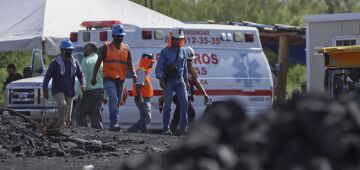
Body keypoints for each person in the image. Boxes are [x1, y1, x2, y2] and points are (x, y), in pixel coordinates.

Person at [91, 24, 137, 131]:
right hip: (108, 78)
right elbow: (98, 63)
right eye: (117, 36)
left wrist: (134, 73)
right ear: (113, 36)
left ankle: (114, 123)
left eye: (121, 36)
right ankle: (114, 123)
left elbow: (130, 62)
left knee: (117, 101)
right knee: (113, 99)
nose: (119, 38)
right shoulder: (105, 47)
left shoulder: (126, 48)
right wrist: (94, 77)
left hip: (120, 80)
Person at [43, 39, 85, 128]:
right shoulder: (55, 63)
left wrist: (83, 84)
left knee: (69, 109)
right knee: (63, 104)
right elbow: (47, 77)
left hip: (69, 90)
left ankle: (67, 126)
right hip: (58, 90)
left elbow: (81, 75)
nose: (68, 52)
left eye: (70, 50)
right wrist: (45, 89)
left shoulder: (75, 62)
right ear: (61, 50)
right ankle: (62, 124)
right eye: (66, 50)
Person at [155, 28, 189, 135]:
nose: (179, 41)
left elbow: (185, 67)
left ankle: (183, 127)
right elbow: (158, 68)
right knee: (168, 106)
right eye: (177, 39)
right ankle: (166, 128)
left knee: (184, 102)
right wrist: (160, 79)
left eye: (181, 39)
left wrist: (186, 81)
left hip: (180, 81)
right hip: (168, 81)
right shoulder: (165, 51)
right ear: (172, 39)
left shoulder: (184, 51)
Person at [170, 47, 210, 134]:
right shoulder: (178, 69)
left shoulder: (192, 71)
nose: (190, 62)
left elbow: (197, 83)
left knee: (178, 114)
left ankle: (170, 131)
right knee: (191, 112)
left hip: (188, 95)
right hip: (177, 95)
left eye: (191, 60)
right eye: (188, 60)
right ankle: (192, 133)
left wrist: (205, 94)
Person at [76, 42, 104, 129]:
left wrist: (79, 94)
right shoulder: (102, 61)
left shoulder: (85, 60)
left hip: (88, 92)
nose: (84, 50)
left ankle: (83, 133)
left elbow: (83, 78)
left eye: (86, 48)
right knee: (96, 114)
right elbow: (105, 79)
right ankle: (98, 135)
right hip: (100, 92)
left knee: (80, 113)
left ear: (90, 49)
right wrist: (106, 96)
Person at [127, 53, 156, 133]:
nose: (151, 64)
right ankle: (130, 131)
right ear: (146, 61)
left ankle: (144, 133)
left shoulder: (143, 70)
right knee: (146, 118)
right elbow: (138, 85)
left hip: (144, 97)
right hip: (142, 98)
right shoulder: (142, 71)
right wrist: (140, 98)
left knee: (144, 117)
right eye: (150, 62)